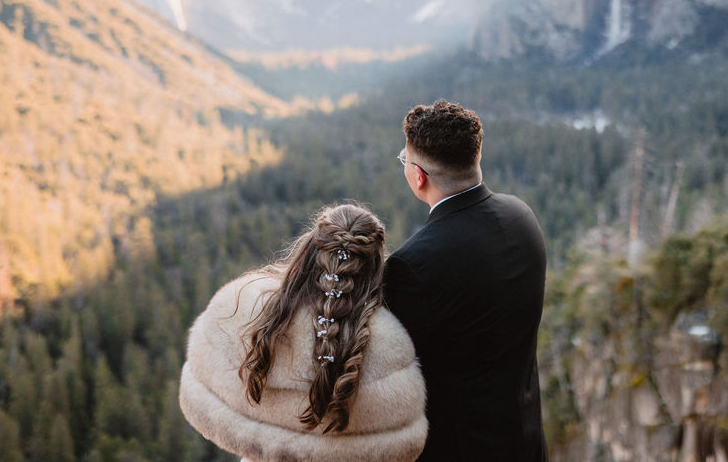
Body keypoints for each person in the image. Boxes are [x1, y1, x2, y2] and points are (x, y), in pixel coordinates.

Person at [179, 203, 428, 461]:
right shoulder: (388, 347)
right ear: (374, 268)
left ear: (309, 251)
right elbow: (402, 448)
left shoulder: (242, 308)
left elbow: (203, 409)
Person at [383, 100, 548, 460]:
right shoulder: (522, 218)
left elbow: (394, 376)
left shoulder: (411, 265)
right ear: (477, 156)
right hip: (525, 442)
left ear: (418, 176)